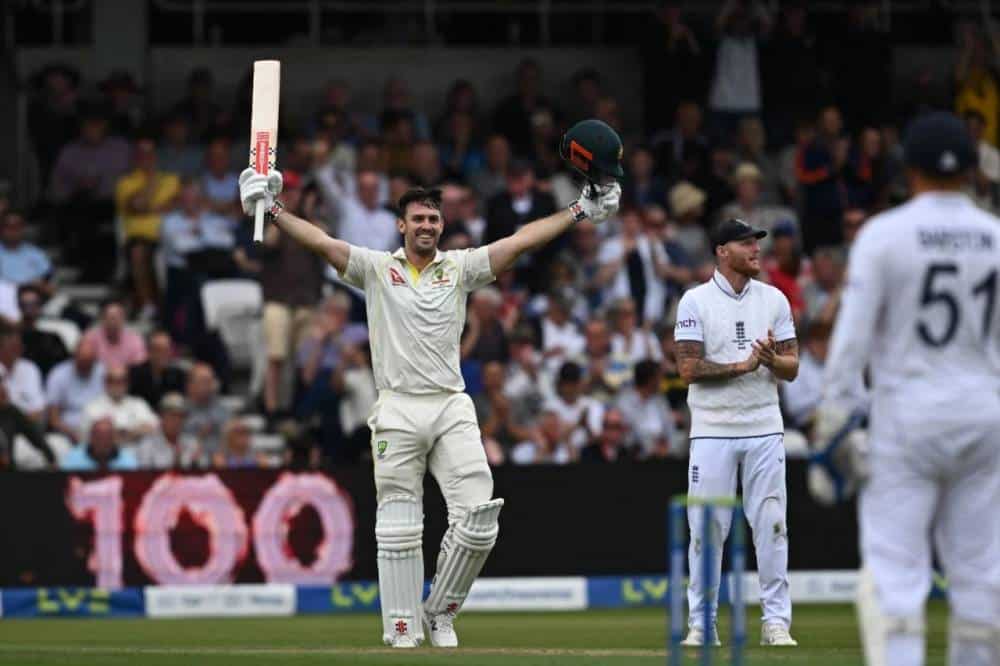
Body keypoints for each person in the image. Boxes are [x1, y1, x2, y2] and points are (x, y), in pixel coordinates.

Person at [238, 133, 621, 648]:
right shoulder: (378, 269)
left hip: (450, 405)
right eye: (418, 218)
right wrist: (275, 208)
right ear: (402, 225)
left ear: (442, 226)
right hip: (396, 406)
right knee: (398, 525)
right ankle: (400, 629)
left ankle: (439, 613)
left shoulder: (458, 269)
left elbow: (520, 242)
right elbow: (324, 244)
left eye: (434, 219)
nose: (426, 225)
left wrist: (579, 210)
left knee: (480, 519)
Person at [817, 111, 1000, 666]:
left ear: (909, 170)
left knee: (895, 584)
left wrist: (836, 416)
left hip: (907, 418)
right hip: (985, 416)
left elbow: (849, 342)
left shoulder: (884, 235)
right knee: (983, 582)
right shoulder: (996, 236)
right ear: (971, 170)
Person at [673, 217, 799, 647]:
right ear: (722, 251)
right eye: (746, 243)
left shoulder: (775, 298)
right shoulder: (695, 301)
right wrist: (740, 367)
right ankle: (702, 623)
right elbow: (687, 368)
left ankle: (775, 622)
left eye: (756, 243)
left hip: (765, 425)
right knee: (707, 528)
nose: (755, 250)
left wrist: (769, 361)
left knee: (772, 524)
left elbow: (793, 366)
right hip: (711, 429)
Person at [80, 364, 158, 449]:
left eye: (122, 380)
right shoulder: (93, 407)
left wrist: (121, 434)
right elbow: (87, 437)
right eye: (113, 380)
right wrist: (133, 433)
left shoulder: (138, 404)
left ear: (127, 383)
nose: (117, 384)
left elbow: (154, 427)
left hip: (138, 456)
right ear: (106, 383)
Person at [45, 337, 105, 443]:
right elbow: (53, 419)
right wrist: (71, 433)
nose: (85, 366)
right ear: (74, 356)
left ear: (95, 359)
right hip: (67, 432)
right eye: (82, 361)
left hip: (100, 430)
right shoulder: (58, 374)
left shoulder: (103, 373)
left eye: (89, 362)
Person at [135, 392, 203, 469]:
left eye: (180, 416)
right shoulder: (147, 444)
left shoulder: (192, 443)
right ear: (162, 416)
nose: (176, 421)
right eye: (172, 416)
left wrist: (196, 463)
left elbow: (203, 470)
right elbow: (143, 475)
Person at [61, 416, 138, 471]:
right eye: (99, 437)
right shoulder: (73, 458)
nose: (103, 442)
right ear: (91, 437)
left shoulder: (128, 461)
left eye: (107, 437)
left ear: (114, 439)